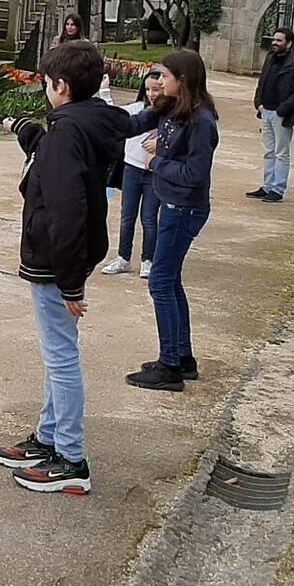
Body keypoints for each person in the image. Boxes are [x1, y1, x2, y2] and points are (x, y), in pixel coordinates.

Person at [0, 40, 130, 494]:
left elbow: (67, 209)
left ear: (61, 86)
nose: (45, 89)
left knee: (62, 358)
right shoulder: (84, 122)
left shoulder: (68, 132)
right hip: (65, 259)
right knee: (58, 353)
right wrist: (29, 133)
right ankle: (49, 438)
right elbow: (59, 154)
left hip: (57, 262)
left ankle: (71, 460)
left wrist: (71, 285)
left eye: (47, 83)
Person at [122, 50, 220, 391]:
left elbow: (194, 174)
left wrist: (155, 163)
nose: (158, 82)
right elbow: (134, 124)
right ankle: (182, 357)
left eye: (164, 76)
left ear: (183, 79)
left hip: (184, 210)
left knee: (160, 283)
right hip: (172, 205)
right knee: (171, 281)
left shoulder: (201, 121)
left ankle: (169, 368)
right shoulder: (170, 106)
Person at [102, 68, 166, 279]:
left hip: (154, 172)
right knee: (127, 216)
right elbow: (114, 116)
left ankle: (148, 260)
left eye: (156, 89)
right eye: (147, 89)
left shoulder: (170, 116)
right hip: (132, 169)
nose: (151, 94)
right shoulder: (137, 109)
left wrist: (160, 144)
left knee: (149, 218)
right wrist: (104, 92)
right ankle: (123, 257)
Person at [248, 27, 294, 203]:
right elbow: (262, 83)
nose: (275, 43)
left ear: (288, 44)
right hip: (265, 111)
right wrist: (258, 103)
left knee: (281, 153)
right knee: (269, 152)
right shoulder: (270, 60)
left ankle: (278, 189)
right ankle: (268, 186)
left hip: (281, 115)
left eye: (279, 40)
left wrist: (282, 110)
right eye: (274, 40)